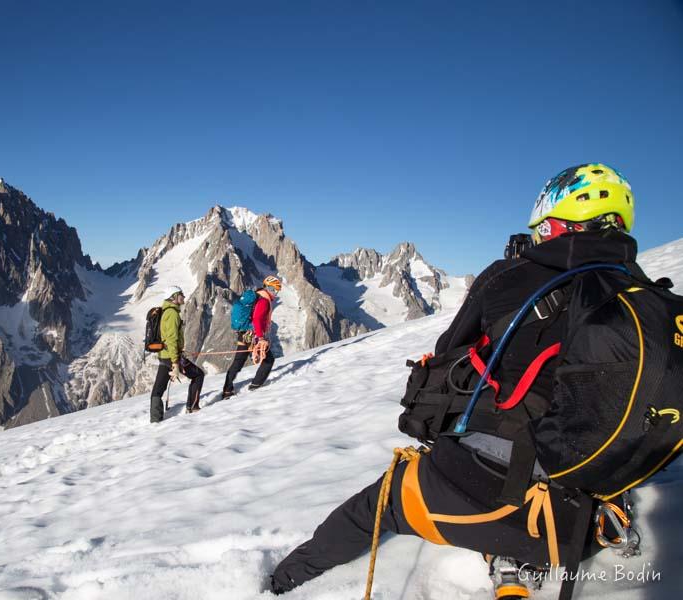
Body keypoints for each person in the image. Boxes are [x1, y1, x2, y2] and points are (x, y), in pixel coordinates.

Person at [270, 164, 647, 597]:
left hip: (497, 496)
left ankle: (278, 585)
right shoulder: (646, 296)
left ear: (552, 218)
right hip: (583, 523)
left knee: (374, 508)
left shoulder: (510, 276)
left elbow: (451, 354)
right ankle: (514, 553)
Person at [149, 286, 205, 423]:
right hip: (172, 356)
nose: (184, 297)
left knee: (158, 388)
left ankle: (155, 420)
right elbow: (172, 338)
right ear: (173, 297)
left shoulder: (165, 311)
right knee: (198, 375)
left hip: (164, 354)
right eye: (181, 294)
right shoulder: (172, 314)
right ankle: (192, 407)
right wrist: (175, 362)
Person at [222, 275, 282, 398]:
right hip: (253, 335)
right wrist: (260, 337)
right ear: (269, 288)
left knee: (238, 362)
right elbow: (257, 319)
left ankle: (227, 390)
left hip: (244, 334)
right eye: (275, 290)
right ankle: (256, 385)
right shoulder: (264, 301)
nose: (276, 293)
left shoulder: (258, 295)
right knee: (268, 360)